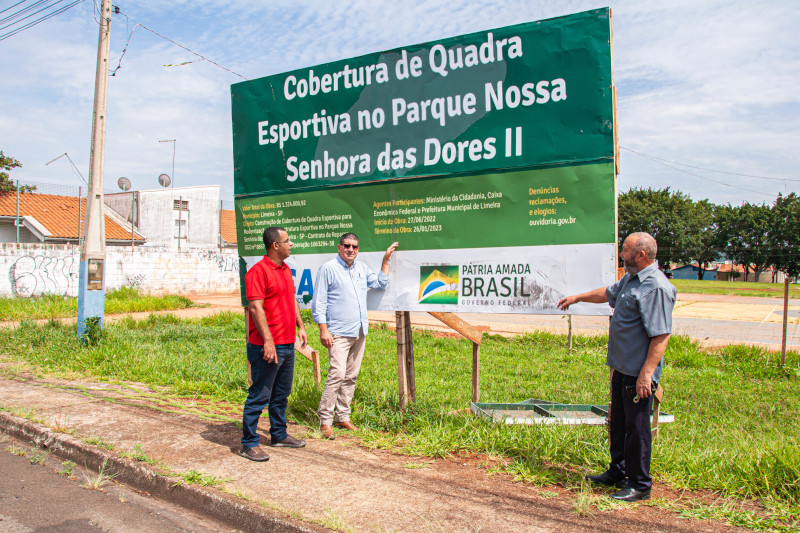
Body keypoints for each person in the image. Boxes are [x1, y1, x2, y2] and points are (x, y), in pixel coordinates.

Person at [557, 232, 675, 502]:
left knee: (637, 427)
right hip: (622, 368)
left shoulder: (656, 287)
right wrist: (578, 297)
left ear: (641, 255)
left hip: (638, 373)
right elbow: (607, 293)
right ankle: (618, 472)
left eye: (625, 250)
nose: (622, 254)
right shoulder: (631, 280)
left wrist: (647, 374)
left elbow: (661, 335)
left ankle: (640, 483)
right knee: (619, 423)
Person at [312, 233, 398, 439]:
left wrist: (385, 260)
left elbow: (380, 283)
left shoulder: (360, 269)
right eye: (347, 246)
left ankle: (343, 416)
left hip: (359, 331)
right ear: (339, 247)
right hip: (338, 332)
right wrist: (323, 329)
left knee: (351, 376)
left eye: (355, 247)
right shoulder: (328, 269)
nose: (351, 250)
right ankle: (325, 420)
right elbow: (319, 303)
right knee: (337, 374)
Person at [240, 226, 308, 461]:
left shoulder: (285, 269)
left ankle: (279, 434)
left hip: (288, 343)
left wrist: (301, 325)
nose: (291, 244)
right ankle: (249, 443)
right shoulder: (258, 272)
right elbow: (255, 307)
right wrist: (268, 342)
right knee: (260, 394)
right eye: (287, 241)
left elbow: (291, 298)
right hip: (267, 346)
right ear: (275, 245)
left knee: (281, 394)